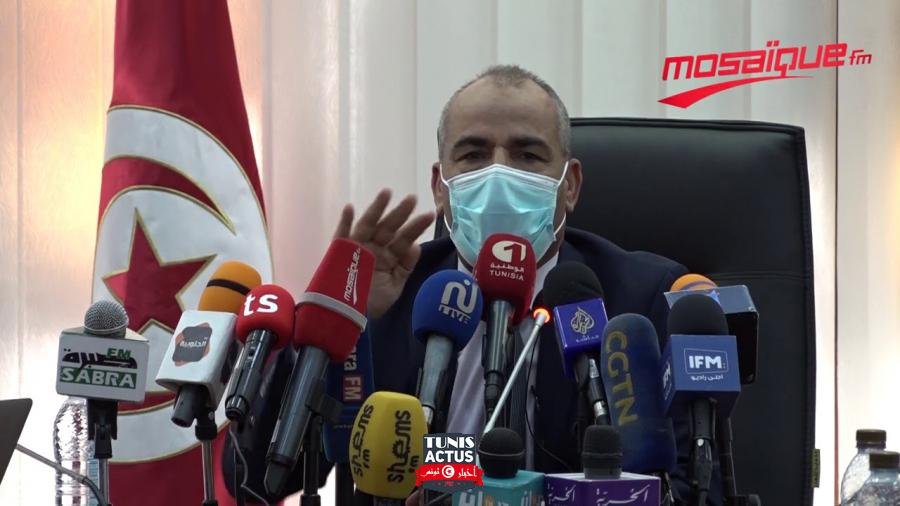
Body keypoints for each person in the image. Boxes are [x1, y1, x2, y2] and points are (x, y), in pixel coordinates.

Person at [224, 64, 720, 505]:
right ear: (440, 187)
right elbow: (254, 481)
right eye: (474, 155)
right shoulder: (389, 293)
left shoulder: (644, 300)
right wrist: (337, 321)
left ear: (569, 185)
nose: (499, 173)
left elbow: (696, 487)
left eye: (527, 155)